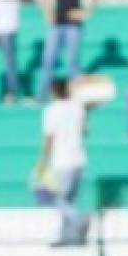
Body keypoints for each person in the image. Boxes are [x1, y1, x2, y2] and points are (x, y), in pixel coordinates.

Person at [35, 77, 88, 246]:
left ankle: (79, 219)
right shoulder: (78, 108)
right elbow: (84, 132)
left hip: (62, 161)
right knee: (70, 199)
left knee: (58, 199)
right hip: (78, 159)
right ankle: (69, 237)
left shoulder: (51, 110)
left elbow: (49, 138)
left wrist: (42, 162)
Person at [36, 0, 94, 99]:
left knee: (73, 60)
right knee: (48, 59)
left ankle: (75, 94)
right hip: (56, 24)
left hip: (73, 25)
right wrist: (47, 13)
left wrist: (85, 12)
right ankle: (42, 94)